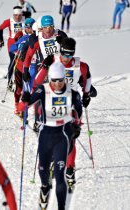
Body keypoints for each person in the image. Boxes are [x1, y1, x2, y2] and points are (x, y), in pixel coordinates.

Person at [32, 37, 97, 191]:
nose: (66, 58)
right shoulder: (52, 61)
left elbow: (87, 78)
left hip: (72, 104)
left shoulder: (80, 65)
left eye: (69, 55)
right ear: (60, 51)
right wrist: (44, 67)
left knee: (71, 137)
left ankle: (69, 168)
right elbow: (37, 81)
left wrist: (86, 94)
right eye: (64, 54)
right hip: (51, 102)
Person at [20, 62, 82, 210]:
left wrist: (76, 125)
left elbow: (78, 110)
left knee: (59, 176)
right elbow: (29, 102)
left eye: (60, 80)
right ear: (50, 79)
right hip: (46, 134)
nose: (58, 84)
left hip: (62, 135)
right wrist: (26, 98)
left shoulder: (72, 93)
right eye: (54, 80)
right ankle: (45, 188)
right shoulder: (43, 90)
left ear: (64, 79)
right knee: (43, 170)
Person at [22, 15, 67, 132]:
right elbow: (28, 56)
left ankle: (61, 117)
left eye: (51, 27)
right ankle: (38, 119)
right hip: (44, 68)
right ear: (42, 28)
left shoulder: (59, 35)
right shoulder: (38, 39)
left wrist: (63, 43)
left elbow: (70, 50)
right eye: (46, 27)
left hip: (58, 69)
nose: (49, 30)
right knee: (39, 91)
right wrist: (25, 71)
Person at [9, 17, 35, 116]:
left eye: (31, 27)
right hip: (20, 67)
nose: (30, 30)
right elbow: (12, 48)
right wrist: (18, 47)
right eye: (28, 28)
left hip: (31, 67)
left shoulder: (37, 38)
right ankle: (17, 104)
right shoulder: (23, 38)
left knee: (28, 89)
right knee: (19, 89)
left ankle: (23, 107)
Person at [0, 6, 24, 88]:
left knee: (22, 62)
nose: (18, 17)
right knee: (13, 61)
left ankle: (21, 81)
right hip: (12, 43)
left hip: (22, 44)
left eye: (19, 15)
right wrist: (1, 39)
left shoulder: (25, 21)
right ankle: (9, 81)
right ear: (13, 15)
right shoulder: (9, 21)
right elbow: (0, 28)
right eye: (16, 15)